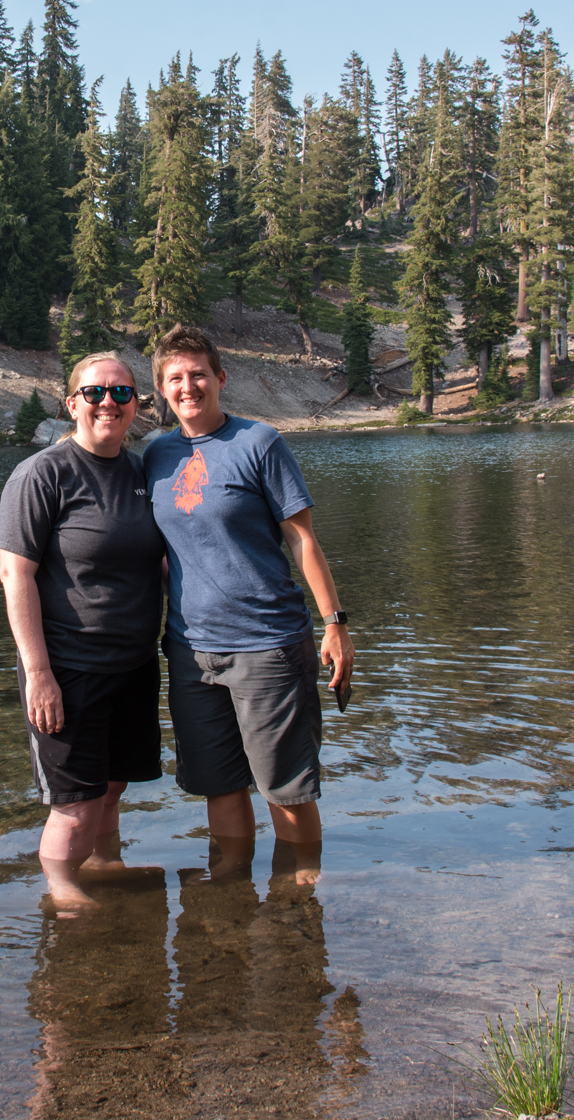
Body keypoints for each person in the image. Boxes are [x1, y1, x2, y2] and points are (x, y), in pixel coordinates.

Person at [141, 324, 353, 878]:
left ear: (220, 379)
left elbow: (302, 538)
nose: (189, 386)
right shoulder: (156, 456)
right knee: (219, 785)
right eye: (176, 378)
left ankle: (300, 895)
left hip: (267, 646)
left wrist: (335, 624)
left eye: (199, 375)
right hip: (190, 651)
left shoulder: (259, 443)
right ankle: (229, 894)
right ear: (162, 389)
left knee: (285, 791)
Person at [0, 352, 165, 908]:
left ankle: (107, 863)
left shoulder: (143, 471)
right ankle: (63, 893)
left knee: (113, 787)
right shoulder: (42, 474)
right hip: (69, 666)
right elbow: (14, 572)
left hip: (133, 664)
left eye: (121, 393)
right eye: (95, 393)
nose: (108, 404)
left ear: (136, 404)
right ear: (72, 404)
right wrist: (38, 674)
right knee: (74, 801)